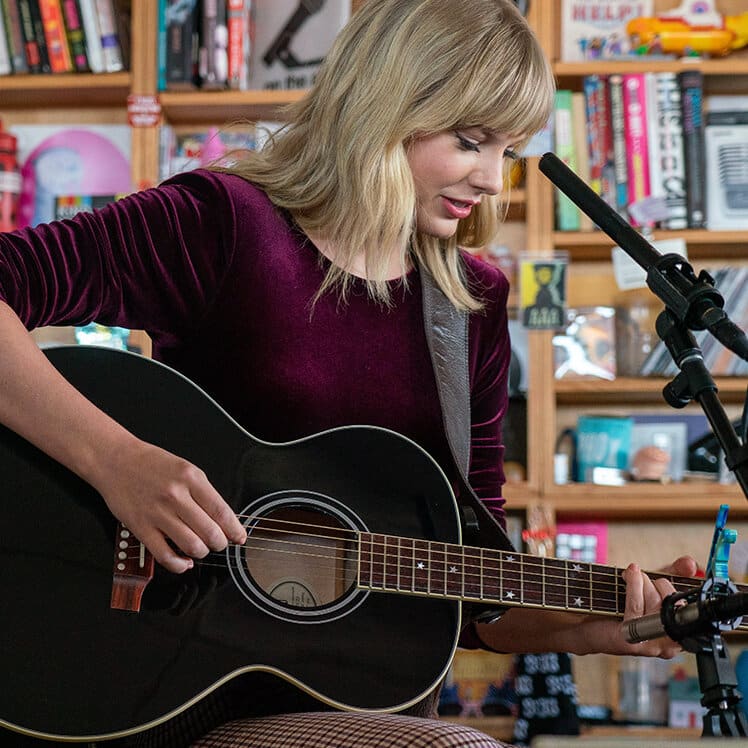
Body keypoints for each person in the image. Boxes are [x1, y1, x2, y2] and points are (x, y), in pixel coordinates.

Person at [0, 1, 697, 746]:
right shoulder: (224, 222)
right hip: (150, 683)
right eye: (471, 142)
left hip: (336, 699)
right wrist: (118, 463)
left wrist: (587, 631)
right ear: (387, 106)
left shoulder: (475, 303)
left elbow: (472, 583)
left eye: (511, 150)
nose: (495, 179)